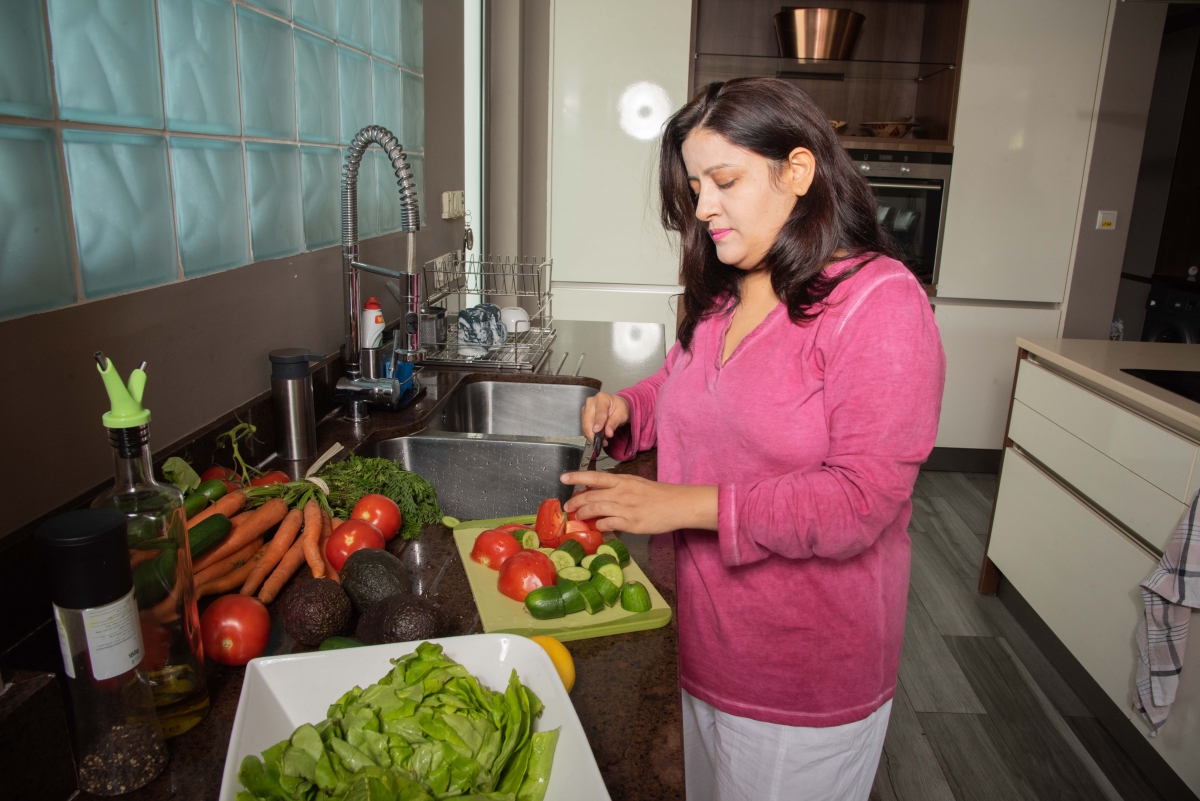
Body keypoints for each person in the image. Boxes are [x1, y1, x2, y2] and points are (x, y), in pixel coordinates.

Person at [561, 78, 946, 801]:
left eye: (724, 181)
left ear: (797, 172)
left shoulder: (880, 303)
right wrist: (627, 409)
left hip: (802, 675)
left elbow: (860, 501)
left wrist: (676, 504)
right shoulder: (725, 290)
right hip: (702, 644)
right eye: (696, 185)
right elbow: (686, 392)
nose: (703, 207)